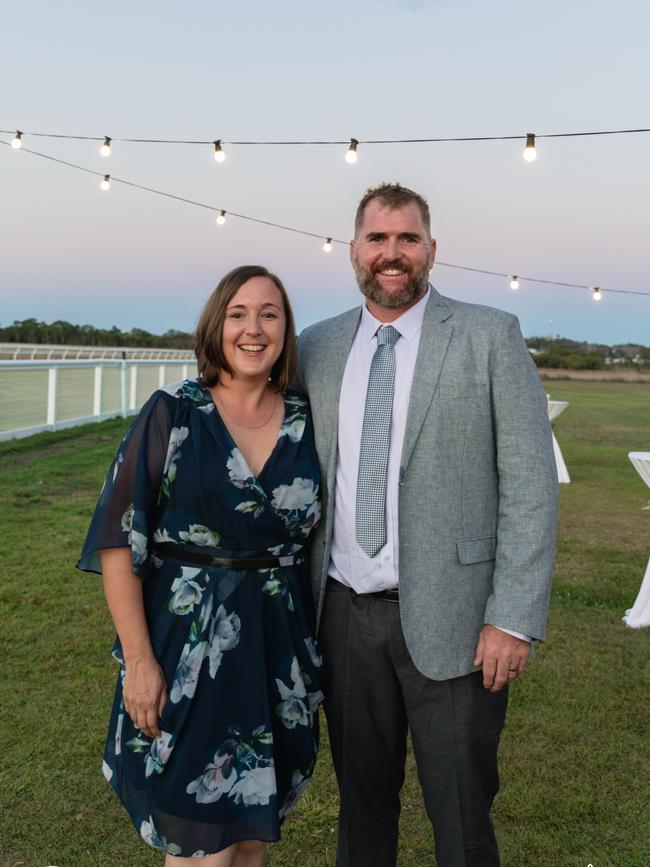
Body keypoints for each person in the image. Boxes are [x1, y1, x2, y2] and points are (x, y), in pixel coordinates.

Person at [296, 183, 558, 867]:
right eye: (377, 239)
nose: (392, 253)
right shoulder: (316, 348)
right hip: (345, 618)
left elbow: (530, 486)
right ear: (354, 251)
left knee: (463, 811)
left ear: (431, 250)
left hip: (461, 622)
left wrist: (513, 616)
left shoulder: (489, 335)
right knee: (361, 809)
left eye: (407, 239)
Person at [78, 265, 324, 867]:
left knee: (248, 837)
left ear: (285, 330)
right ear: (216, 326)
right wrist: (139, 661)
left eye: (270, 314)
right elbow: (119, 543)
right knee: (198, 842)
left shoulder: (306, 420)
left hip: (278, 651)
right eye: (238, 314)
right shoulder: (174, 414)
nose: (253, 328)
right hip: (189, 650)